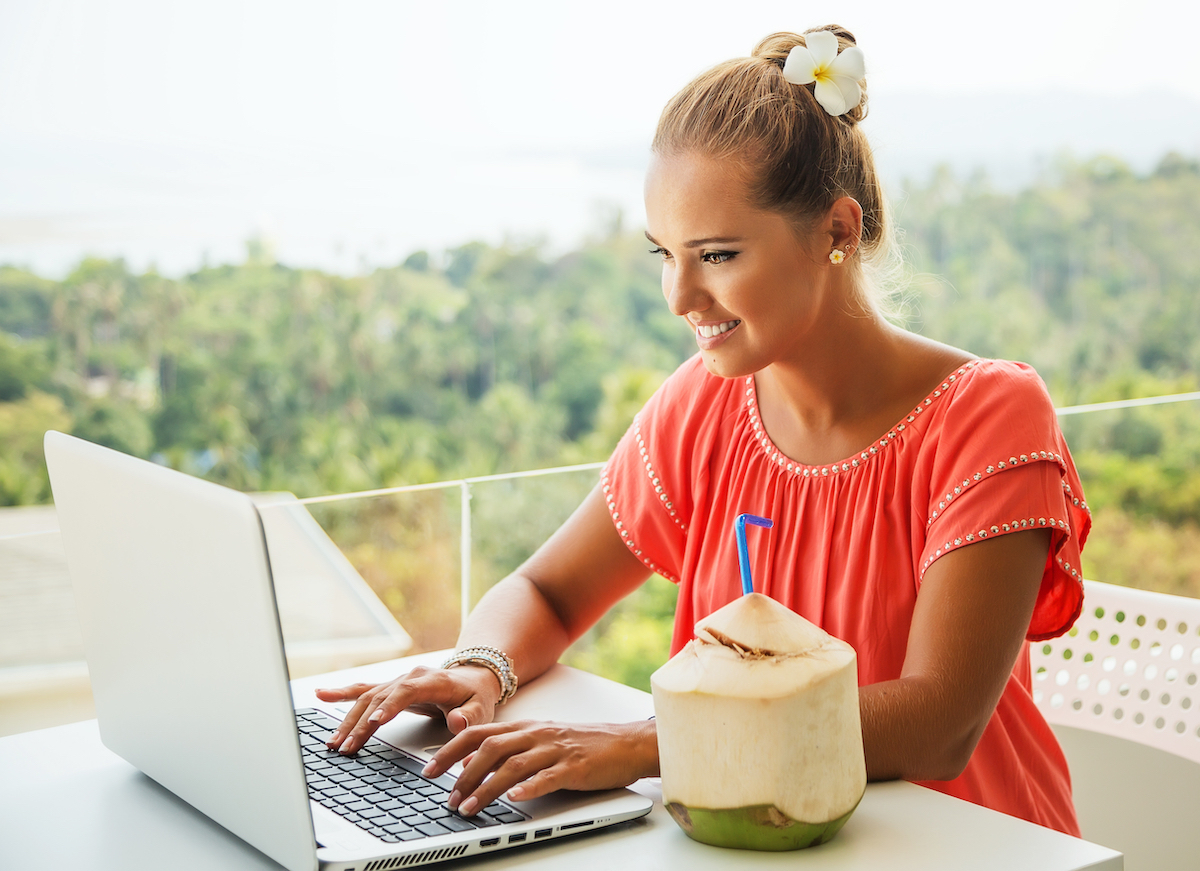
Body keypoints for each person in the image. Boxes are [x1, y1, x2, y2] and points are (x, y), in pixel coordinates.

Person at [317, 26, 1089, 836]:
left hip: (970, 842)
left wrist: (647, 744)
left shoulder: (988, 415)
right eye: (665, 253)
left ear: (836, 230)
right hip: (750, 845)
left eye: (717, 255)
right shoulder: (707, 406)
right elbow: (547, 591)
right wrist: (481, 666)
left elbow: (940, 721)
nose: (680, 295)